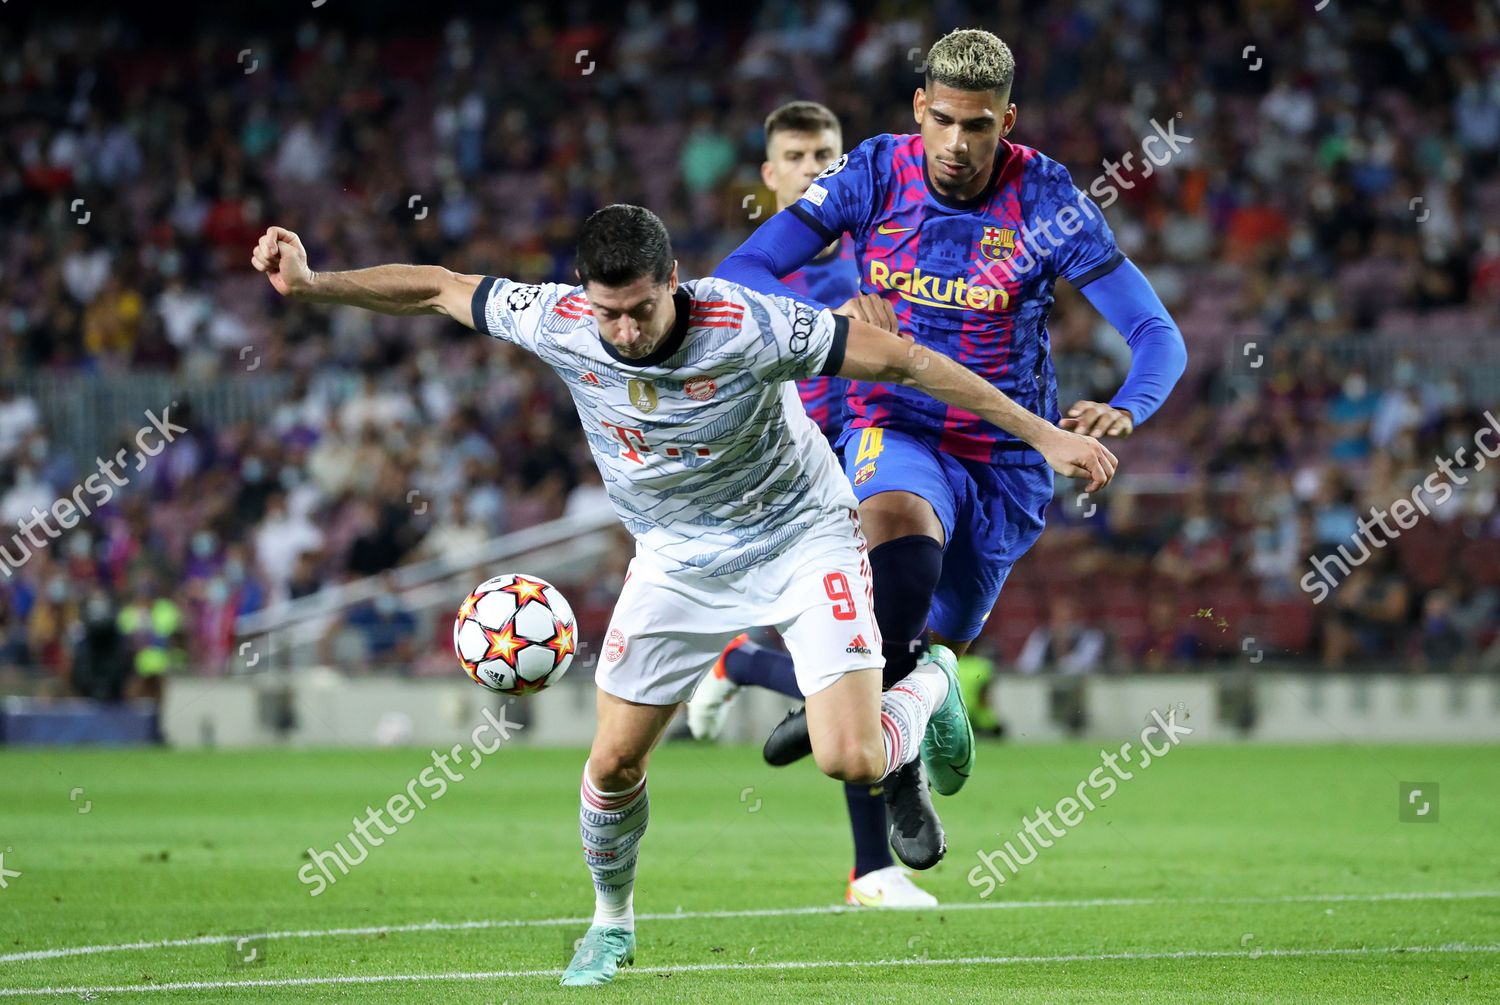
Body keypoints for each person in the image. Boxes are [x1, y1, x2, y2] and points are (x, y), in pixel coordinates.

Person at [250, 205, 1116, 986]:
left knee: (850, 757)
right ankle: (611, 924)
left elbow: (912, 362)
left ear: (674, 282)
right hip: (675, 561)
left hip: (802, 537)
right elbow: (439, 288)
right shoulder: (559, 319)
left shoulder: (752, 324)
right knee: (612, 764)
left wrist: (1044, 438)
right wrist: (315, 282)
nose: (622, 330)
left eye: (640, 308)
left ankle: (928, 678)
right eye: (607, 311)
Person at [711, 28, 1186, 824]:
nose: (959, 145)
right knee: (897, 530)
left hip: (1006, 451)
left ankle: (884, 708)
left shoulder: (1048, 203)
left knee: (939, 645)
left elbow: (1156, 335)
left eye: (981, 126)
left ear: (1009, 120)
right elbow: (741, 271)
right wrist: (830, 313)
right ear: (920, 108)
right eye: (946, 122)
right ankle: (895, 774)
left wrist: (1126, 407)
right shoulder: (871, 171)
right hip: (894, 418)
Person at [685, 100, 938, 909]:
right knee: (872, 664)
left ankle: (743, 663)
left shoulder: (880, 263)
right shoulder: (757, 277)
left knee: (872, 663)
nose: (815, 168)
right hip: (786, 498)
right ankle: (873, 868)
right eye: (797, 156)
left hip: (869, 479)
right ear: (771, 174)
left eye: (827, 153)